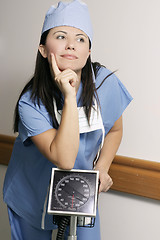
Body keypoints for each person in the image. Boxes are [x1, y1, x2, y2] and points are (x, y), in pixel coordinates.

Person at [3, 0, 133, 239]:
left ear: (88, 52)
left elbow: (114, 130)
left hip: (79, 193)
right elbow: (64, 159)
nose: (72, 45)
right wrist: (69, 96)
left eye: (81, 39)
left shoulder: (105, 83)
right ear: (43, 49)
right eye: (61, 36)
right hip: (30, 195)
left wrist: (102, 168)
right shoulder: (30, 102)